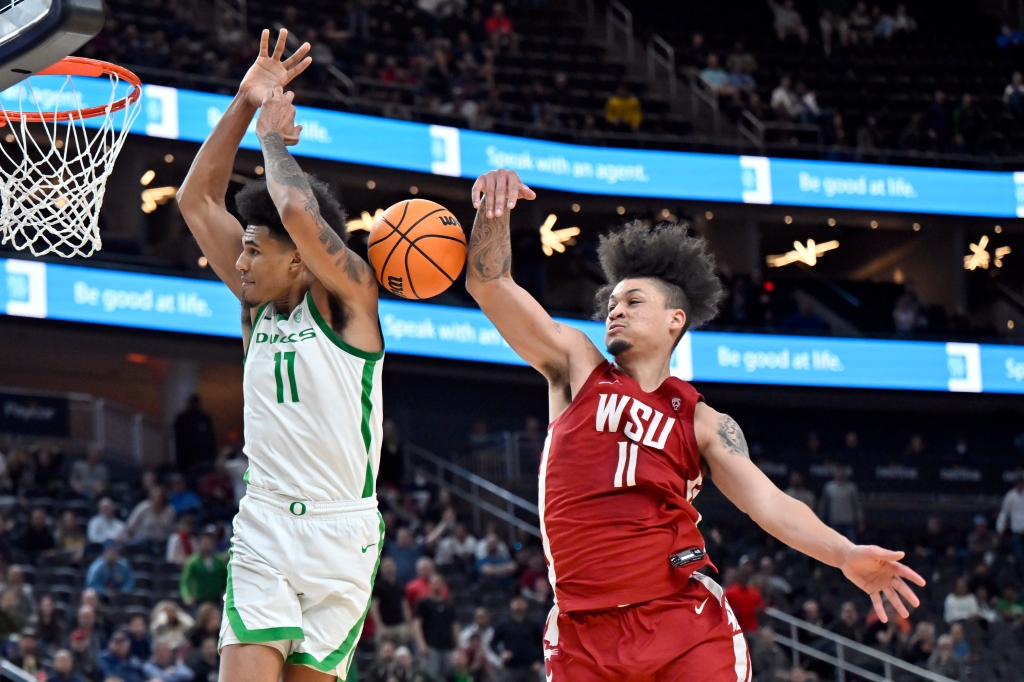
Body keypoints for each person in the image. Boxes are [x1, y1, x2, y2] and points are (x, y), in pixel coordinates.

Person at [464, 169, 924, 680]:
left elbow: (769, 503)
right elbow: (489, 283)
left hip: (681, 622)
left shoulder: (704, 421)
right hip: (581, 631)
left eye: (633, 302)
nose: (615, 311)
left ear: (675, 319)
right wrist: (494, 212)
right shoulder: (577, 367)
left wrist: (843, 553)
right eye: (612, 303)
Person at [177, 30, 386, 682]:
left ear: (298, 258)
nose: (237, 262)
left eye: (252, 251)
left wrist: (271, 138)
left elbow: (296, 207)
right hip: (266, 522)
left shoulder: (352, 301)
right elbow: (195, 200)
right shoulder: (255, 310)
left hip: (344, 535)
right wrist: (244, 102)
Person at [412, 574, 459, 676]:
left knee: (448, 675)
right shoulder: (423, 603)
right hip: (431, 646)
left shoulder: (449, 605)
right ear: (430, 585)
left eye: (439, 583)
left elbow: (454, 625)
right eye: (434, 583)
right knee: (432, 676)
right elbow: (417, 624)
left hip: (448, 646)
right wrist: (422, 644)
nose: (437, 585)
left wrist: (457, 645)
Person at [491, 596, 544, 682]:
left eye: (521, 602)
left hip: (531, 669)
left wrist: (540, 661)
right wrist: (501, 654)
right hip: (511, 668)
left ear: (526, 605)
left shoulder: (534, 625)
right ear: (511, 605)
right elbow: (493, 644)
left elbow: (544, 645)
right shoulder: (503, 624)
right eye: (516, 602)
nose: (518, 605)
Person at [179, 526, 227, 608]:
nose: (207, 545)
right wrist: (187, 596)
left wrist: (226, 593)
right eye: (205, 543)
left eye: (209, 543)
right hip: (199, 600)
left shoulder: (219, 561)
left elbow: (226, 579)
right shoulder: (192, 562)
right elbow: (185, 581)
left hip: (216, 599)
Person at [370, 556, 413, 645]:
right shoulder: (377, 587)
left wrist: (409, 625)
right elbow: (374, 608)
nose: (388, 569)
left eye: (390, 566)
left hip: (400, 625)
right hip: (385, 626)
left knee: (403, 650)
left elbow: (405, 606)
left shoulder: (399, 586)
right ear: (381, 570)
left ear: (395, 567)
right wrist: (380, 627)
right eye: (386, 567)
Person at [817, 466, 864, 542]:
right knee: (835, 545)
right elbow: (823, 505)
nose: (840, 475)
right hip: (835, 522)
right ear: (834, 474)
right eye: (838, 473)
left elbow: (857, 505)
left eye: (842, 473)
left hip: (849, 522)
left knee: (852, 545)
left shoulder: (851, 487)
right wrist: (820, 520)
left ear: (846, 474)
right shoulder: (829, 487)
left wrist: (860, 521)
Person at [174, 395, 217, 474]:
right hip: (186, 458)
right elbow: (179, 439)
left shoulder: (204, 419)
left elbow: (210, 438)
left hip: (203, 457)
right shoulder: (182, 419)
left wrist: (212, 455)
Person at [126, 486, 176, 553]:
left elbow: (173, 529)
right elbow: (130, 526)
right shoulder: (143, 508)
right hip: (144, 542)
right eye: (154, 496)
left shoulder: (170, 511)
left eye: (158, 496)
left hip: (163, 543)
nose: (156, 499)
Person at [997, 478, 1024, 573]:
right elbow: (1004, 513)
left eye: (1021, 484)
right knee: (1019, 555)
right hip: (1016, 531)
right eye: (1018, 484)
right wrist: (1000, 528)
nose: (1019, 486)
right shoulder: (1010, 496)